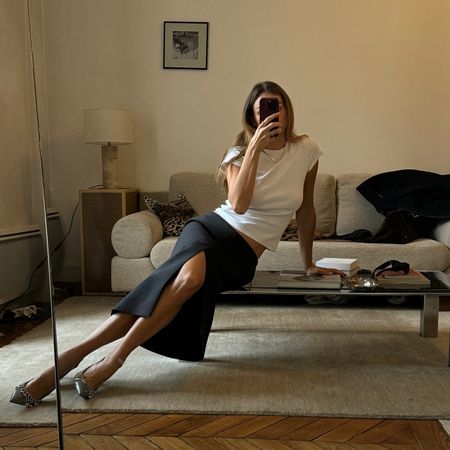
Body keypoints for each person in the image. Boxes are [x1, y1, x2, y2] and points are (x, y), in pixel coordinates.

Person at [10, 80, 341, 407]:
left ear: (287, 108)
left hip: (241, 256)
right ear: (252, 117)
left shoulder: (306, 150)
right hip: (211, 230)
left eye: (277, 104)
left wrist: (308, 263)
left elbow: (306, 209)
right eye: (263, 108)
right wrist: (253, 148)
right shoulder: (238, 154)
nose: (272, 113)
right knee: (189, 280)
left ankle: (63, 364)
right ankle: (111, 361)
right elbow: (238, 205)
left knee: (159, 294)